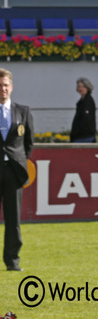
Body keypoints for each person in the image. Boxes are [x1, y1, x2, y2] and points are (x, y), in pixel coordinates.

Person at [0, 68, 34, 271]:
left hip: (14, 171)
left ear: (11, 87)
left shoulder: (23, 111)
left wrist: (19, 161)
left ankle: (12, 261)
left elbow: (28, 143)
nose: (2, 89)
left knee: (13, 219)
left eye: (5, 85)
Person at [70, 77, 96, 143]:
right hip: (78, 136)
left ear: (88, 88)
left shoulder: (88, 101)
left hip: (85, 136)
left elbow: (86, 118)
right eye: (79, 87)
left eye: (83, 87)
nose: (81, 89)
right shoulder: (81, 101)